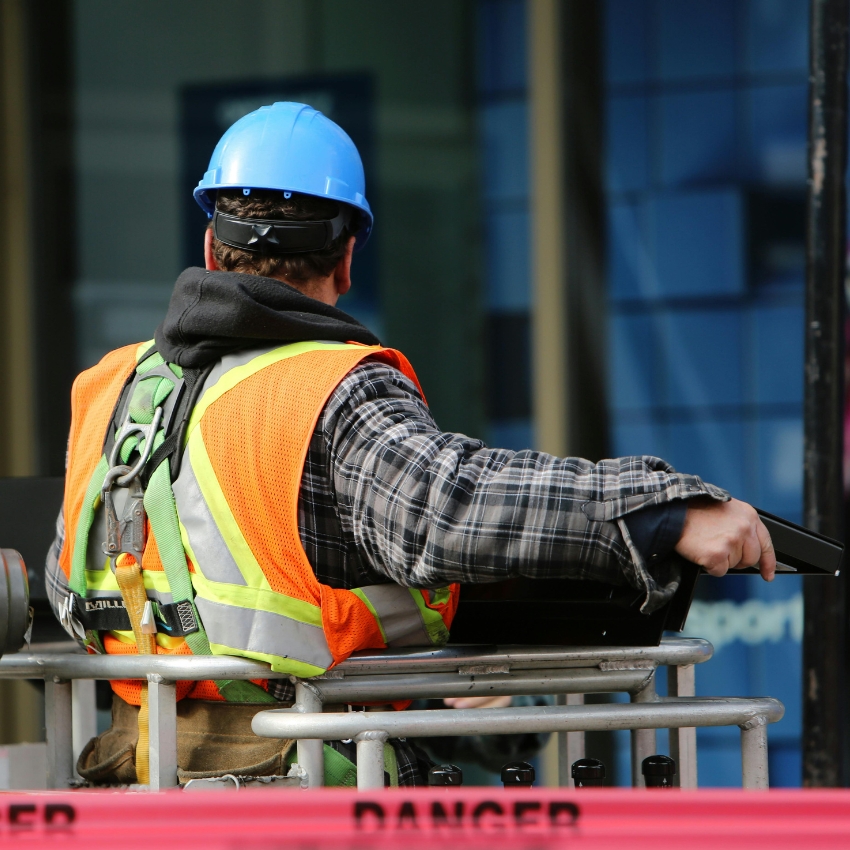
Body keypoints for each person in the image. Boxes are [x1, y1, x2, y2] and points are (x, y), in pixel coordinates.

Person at [46, 102, 775, 787]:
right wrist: (664, 511)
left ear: (210, 244)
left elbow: (67, 578)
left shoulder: (110, 389)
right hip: (302, 790)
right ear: (347, 258)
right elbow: (445, 508)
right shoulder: (328, 389)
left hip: (135, 783)